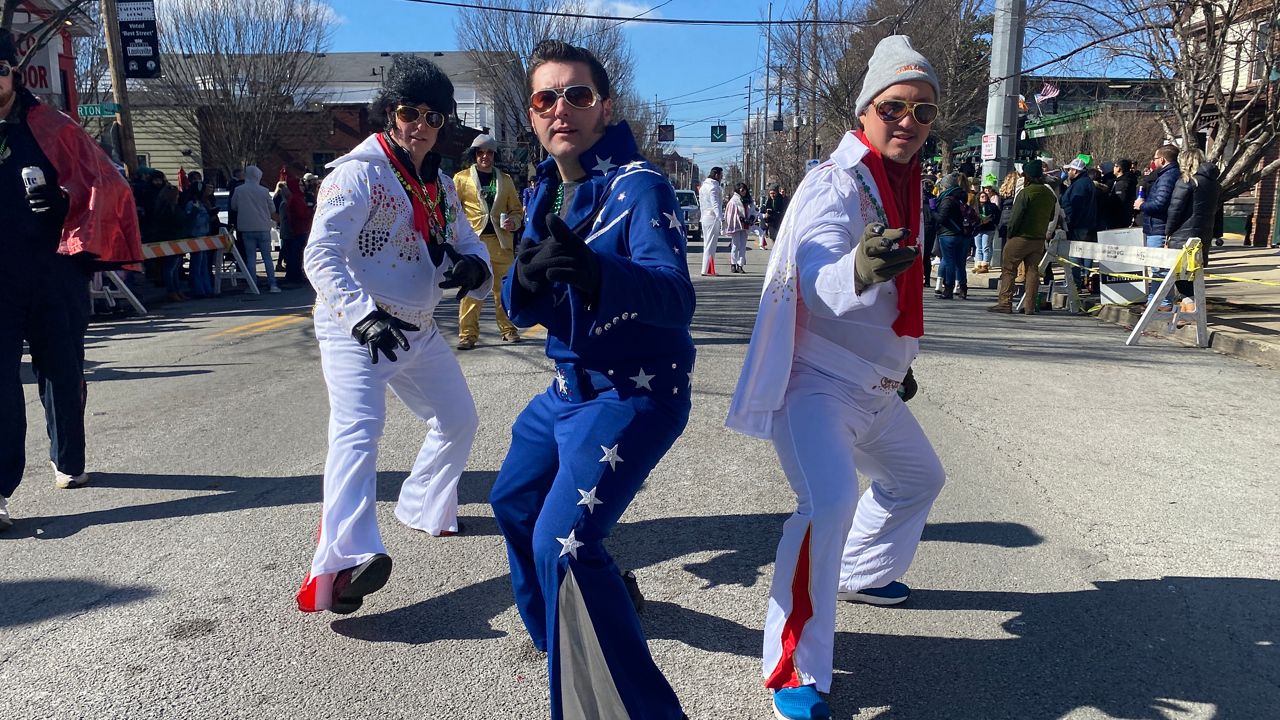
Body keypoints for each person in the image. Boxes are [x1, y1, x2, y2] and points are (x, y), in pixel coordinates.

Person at [726, 35, 944, 720]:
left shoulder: (903, 183)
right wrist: (856, 269)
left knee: (919, 478)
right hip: (817, 386)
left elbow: (890, 301)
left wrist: (896, 362)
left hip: (875, 388)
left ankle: (860, 573)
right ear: (866, 109)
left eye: (924, 110)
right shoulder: (839, 181)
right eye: (894, 106)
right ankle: (794, 666)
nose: (908, 120)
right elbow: (815, 274)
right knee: (826, 505)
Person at [489, 39, 695, 720]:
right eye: (546, 98)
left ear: (604, 106)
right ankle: (562, 643)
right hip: (565, 393)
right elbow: (526, 310)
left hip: (632, 395)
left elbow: (675, 298)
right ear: (533, 113)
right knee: (513, 503)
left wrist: (604, 273)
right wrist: (522, 279)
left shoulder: (640, 185)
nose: (562, 109)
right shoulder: (548, 187)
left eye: (577, 94)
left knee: (565, 545)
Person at [295, 54, 493, 614]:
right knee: (359, 431)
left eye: (433, 116)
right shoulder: (359, 173)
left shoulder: (441, 184)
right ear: (390, 114)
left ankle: (421, 505)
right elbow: (321, 254)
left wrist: (473, 269)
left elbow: (469, 243)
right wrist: (360, 314)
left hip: (418, 328)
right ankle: (347, 563)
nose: (421, 126)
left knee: (458, 420)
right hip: (357, 328)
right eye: (410, 112)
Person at [0, 30, 142, 531]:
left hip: (54, 270)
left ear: (13, 72)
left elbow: (107, 184)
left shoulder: (52, 126)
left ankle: (68, 460)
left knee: (61, 369)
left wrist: (66, 203)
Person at [453, 133, 525, 348]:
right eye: (480, 152)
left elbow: (516, 210)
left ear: (495, 155)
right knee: (472, 287)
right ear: (474, 154)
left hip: (501, 242)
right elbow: (452, 211)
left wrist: (514, 221)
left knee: (504, 289)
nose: (485, 156)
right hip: (473, 242)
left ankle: (508, 329)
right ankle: (467, 334)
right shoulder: (461, 178)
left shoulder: (505, 179)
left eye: (489, 153)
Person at [988, 159, 1058, 314]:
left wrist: (1011, 233)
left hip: (1021, 237)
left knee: (1009, 269)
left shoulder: (1025, 193)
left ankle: (1005, 303)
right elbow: (1052, 215)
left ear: (1027, 176)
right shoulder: (1049, 193)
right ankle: (1030, 306)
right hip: (1038, 238)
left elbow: (1015, 217)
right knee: (1033, 271)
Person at [1136, 144, 1180, 308]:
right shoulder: (1165, 175)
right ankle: (1154, 301)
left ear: (1162, 159)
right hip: (1156, 226)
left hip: (1159, 227)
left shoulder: (1167, 177)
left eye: (1155, 159)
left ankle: (1162, 302)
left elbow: (1161, 203)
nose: (1153, 162)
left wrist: (1142, 205)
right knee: (1157, 268)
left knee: (1159, 268)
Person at [1165, 147, 1221, 270]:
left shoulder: (1187, 181)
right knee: (1195, 275)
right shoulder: (1214, 184)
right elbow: (1217, 209)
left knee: (1180, 277)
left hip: (1183, 235)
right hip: (1204, 235)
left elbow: (1175, 209)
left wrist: (1168, 232)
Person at [230, 164, 281, 293]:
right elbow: (272, 209)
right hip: (263, 227)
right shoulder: (264, 191)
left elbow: (234, 206)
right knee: (267, 257)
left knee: (251, 258)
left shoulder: (239, 190)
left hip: (246, 228)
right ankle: (273, 284)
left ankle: (252, 285)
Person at [1060, 158, 1099, 292]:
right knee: (1083, 254)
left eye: (1069, 169)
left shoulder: (1080, 186)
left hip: (1079, 226)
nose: (1068, 172)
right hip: (1086, 225)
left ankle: (1075, 283)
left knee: (1074, 255)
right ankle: (1081, 280)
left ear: (1075, 171)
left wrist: (1070, 222)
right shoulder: (1085, 183)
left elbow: (1076, 207)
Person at [933, 173, 970, 299]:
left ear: (946, 186)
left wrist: (933, 211)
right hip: (961, 234)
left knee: (949, 262)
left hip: (947, 234)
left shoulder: (947, 200)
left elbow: (942, 219)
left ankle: (948, 289)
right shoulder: (961, 197)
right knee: (960, 263)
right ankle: (963, 289)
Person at [699, 166, 725, 275]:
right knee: (711, 244)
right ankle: (707, 269)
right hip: (712, 217)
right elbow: (716, 205)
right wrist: (721, 218)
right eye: (721, 175)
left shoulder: (703, 186)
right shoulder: (713, 187)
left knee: (707, 243)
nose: (722, 177)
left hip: (705, 216)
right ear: (717, 175)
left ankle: (707, 268)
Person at [724, 181, 751, 273]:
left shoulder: (748, 200)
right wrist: (740, 219)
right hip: (736, 226)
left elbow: (752, 211)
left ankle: (740, 265)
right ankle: (733, 264)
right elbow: (730, 215)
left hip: (746, 226)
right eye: (742, 190)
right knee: (735, 245)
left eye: (745, 190)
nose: (744, 192)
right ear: (738, 190)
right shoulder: (734, 201)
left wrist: (751, 217)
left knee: (743, 246)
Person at [973, 187, 1000, 273]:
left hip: (988, 229)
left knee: (986, 246)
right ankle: (978, 264)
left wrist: (993, 222)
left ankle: (985, 265)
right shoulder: (975, 208)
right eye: (982, 196)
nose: (984, 197)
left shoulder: (992, 206)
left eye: (985, 196)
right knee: (978, 247)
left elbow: (997, 216)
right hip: (978, 229)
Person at [1110, 159, 1138, 229]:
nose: (1113, 168)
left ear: (1119, 168)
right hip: (1123, 217)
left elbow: (1119, 201)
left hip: (1119, 219)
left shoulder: (1122, 183)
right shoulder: (1121, 181)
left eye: (1115, 166)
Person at [761, 183, 788, 248]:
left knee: (779, 239)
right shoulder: (768, 200)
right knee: (773, 239)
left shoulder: (781, 200)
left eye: (774, 193)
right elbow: (764, 209)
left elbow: (783, 211)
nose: (772, 195)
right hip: (771, 223)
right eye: (771, 193)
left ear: (777, 192)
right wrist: (766, 214)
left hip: (779, 223)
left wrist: (774, 213)